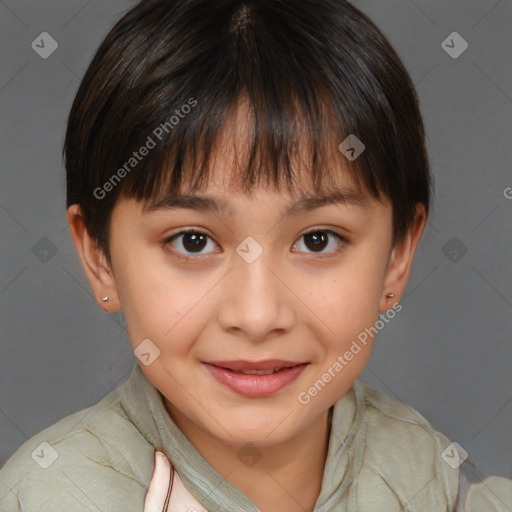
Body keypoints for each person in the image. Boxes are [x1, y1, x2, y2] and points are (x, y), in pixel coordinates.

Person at [1, 0, 510, 510]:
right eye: (193, 241)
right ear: (99, 257)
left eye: (318, 240)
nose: (258, 315)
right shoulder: (48, 494)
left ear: (397, 255)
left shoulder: (440, 486)